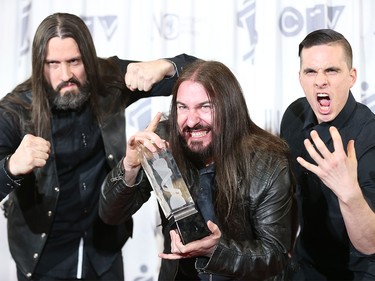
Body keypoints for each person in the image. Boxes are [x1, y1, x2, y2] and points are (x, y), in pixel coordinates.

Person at [0, 12, 196, 280]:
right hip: (43, 257)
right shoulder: (16, 110)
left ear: (89, 59)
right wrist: (10, 167)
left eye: (74, 61)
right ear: (39, 65)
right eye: (53, 64)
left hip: (103, 251)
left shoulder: (109, 80)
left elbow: (204, 77)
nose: (66, 74)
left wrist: (168, 66)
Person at [100, 60, 296, 280]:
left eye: (205, 107)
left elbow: (276, 255)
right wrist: (130, 166)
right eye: (182, 107)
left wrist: (215, 250)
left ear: (229, 108)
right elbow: (111, 214)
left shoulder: (268, 162)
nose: (191, 121)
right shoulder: (163, 143)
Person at [280, 29, 375, 280]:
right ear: (300, 77)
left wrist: (349, 193)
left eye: (332, 70)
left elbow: (370, 244)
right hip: (304, 265)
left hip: (357, 271)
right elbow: (290, 193)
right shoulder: (293, 115)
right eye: (311, 71)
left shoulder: (370, 135)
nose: (320, 80)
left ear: (351, 77)